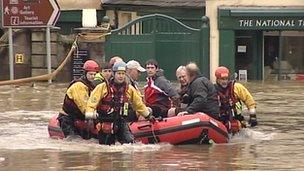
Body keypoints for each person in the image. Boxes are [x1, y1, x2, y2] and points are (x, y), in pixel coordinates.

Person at [85, 61, 155, 145]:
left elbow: (139, 105)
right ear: (114, 74)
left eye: (123, 73)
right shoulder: (102, 87)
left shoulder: (129, 89)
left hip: (121, 121)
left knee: (130, 143)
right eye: (119, 73)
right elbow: (91, 104)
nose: (121, 76)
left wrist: (148, 116)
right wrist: (89, 117)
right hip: (106, 122)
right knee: (106, 148)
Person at [57, 60, 100, 138]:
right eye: (90, 74)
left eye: (94, 74)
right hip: (68, 119)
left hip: (80, 119)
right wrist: (98, 115)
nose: (93, 76)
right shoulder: (78, 86)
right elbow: (85, 108)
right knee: (74, 140)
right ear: (85, 73)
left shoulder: (91, 86)